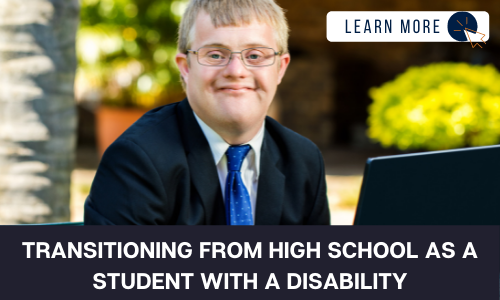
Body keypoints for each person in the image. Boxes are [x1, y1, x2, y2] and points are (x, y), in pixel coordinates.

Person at [84, 0, 330, 225]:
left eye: (255, 55)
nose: (236, 71)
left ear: (280, 68)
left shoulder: (304, 160)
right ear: (186, 67)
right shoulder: (136, 161)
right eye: (215, 54)